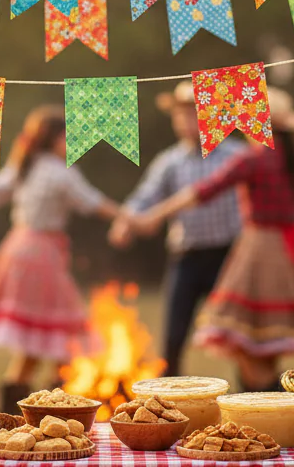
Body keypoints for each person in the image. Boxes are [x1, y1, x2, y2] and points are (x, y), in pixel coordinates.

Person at [135, 89, 294, 392]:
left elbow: (202, 191)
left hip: (260, 248)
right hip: (293, 249)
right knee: (267, 336)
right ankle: (265, 391)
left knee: (240, 333)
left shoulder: (254, 160)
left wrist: (155, 215)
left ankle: (261, 393)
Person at [0, 105, 125, 413]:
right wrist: (132, 218)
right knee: (62, 340)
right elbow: (94, 202)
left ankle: (13, 409)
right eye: (68, 138)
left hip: (17, 249)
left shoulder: (25, 166)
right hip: (40, 255)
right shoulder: (60, 172)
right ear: (56, 138)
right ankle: (47, 408)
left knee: (37, 343)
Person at [109, 81, 244, 378]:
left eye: (192, 114)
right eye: (179, 115)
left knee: (241, 334)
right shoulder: (170, 161)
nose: (184, 122)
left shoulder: (236, 155)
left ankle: (251, 398)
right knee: (174, 335)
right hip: (187, 258)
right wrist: (125, 221)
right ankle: (171, 401)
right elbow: (145, 196)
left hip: (230, 256)